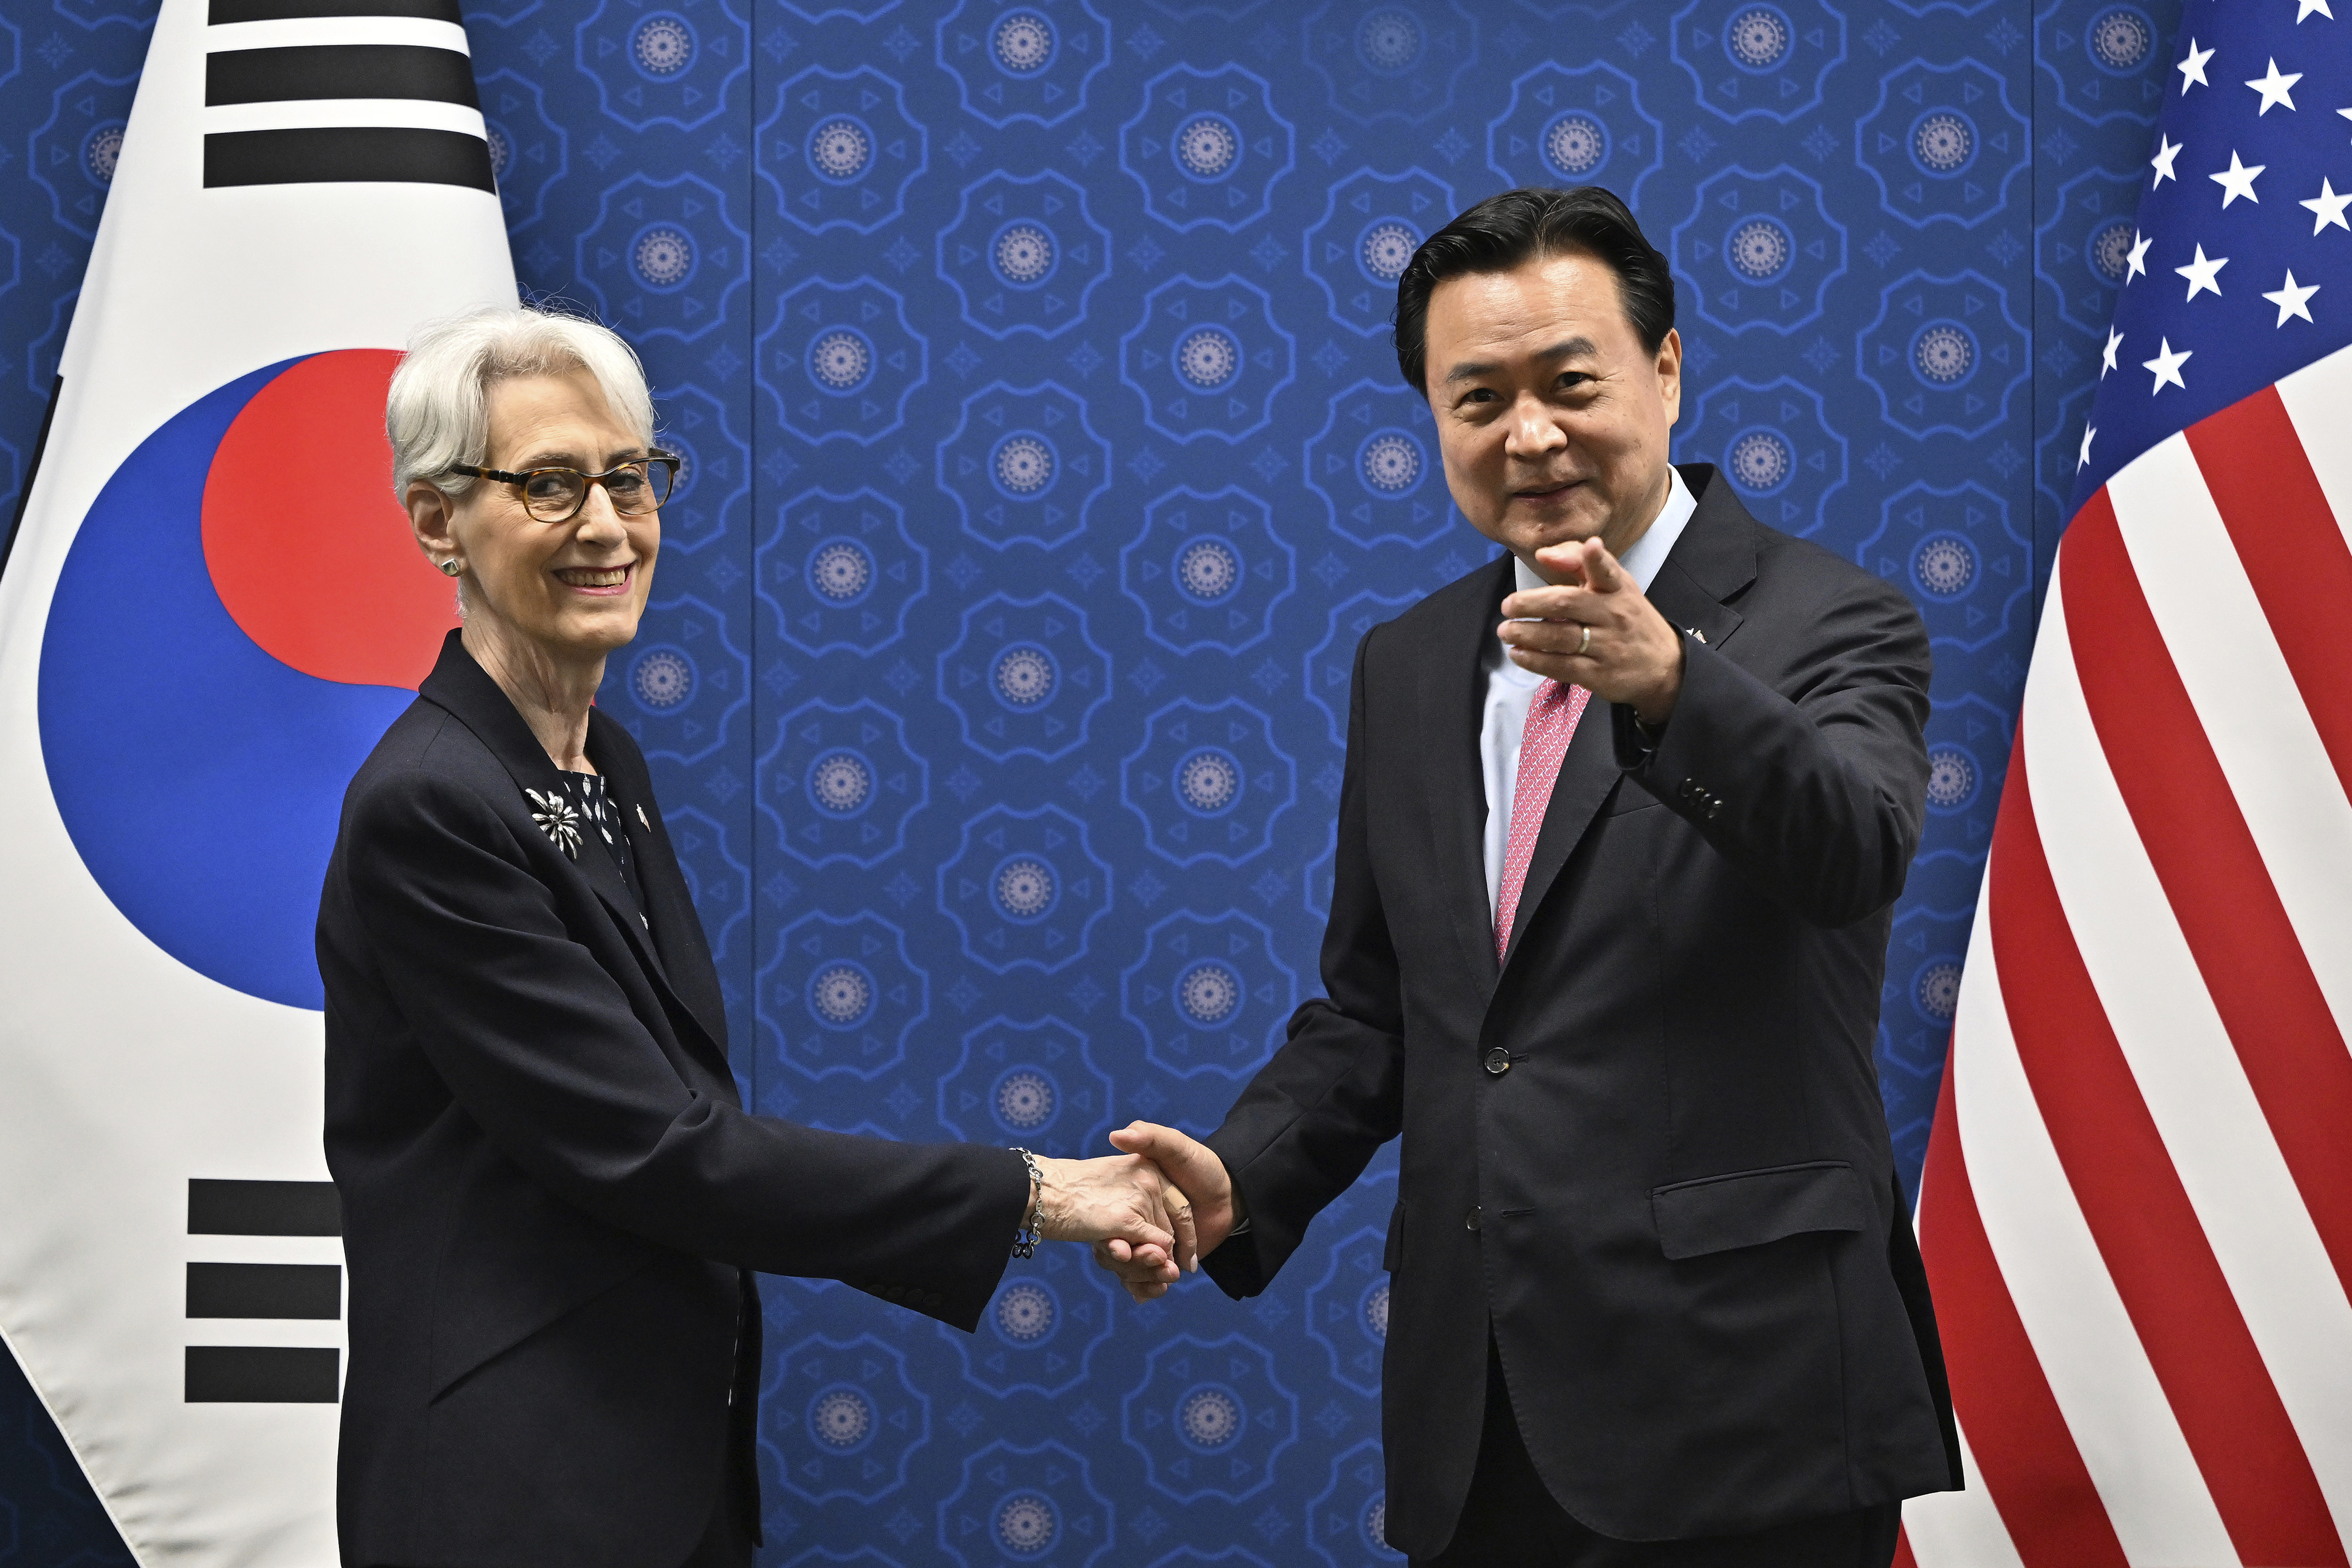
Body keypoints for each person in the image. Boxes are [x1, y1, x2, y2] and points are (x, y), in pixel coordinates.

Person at [1097, 186, 1962, 1566]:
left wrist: (1676, 685)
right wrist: (1241, 1176)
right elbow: (1385, 1010)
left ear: (1667, 371)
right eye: (1478, 398)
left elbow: (1854, 848)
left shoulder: (1831, 617)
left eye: (1571, 383)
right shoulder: (1412, 660)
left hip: (1754, 1410)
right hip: (1481, 1407)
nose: (1532, 435)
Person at [317, 306, 1198, 1568]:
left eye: (629, 477)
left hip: (648, 1461)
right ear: (438, 520)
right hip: (508, 1487)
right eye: (551, 486)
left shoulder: (597, 761)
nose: (610, 527)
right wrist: (1047, 1194)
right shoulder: (432, 807)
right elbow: (664, 1153)